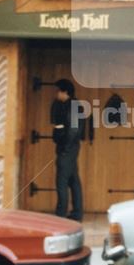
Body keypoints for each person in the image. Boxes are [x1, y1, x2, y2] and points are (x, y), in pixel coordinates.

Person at [50, 78, 85, 221]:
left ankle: (60, 214)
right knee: (73, 180)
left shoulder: (73, 106)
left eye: (58, 90)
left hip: (68, 148)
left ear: (64, 92)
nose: (56, 94)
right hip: (71, 147)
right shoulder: (72, 106)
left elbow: (73, 130)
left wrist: (64, 147)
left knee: (61, 181)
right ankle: (77, 213)